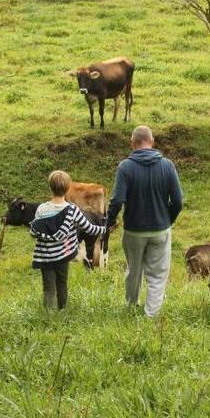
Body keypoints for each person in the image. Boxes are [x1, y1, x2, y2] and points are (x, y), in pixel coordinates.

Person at [106, 126, 183, 318]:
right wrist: (169, 219)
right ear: (152, 141)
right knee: (157, 274)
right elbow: (178, 201)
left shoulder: (125, 167)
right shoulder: (168, 165)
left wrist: (110, 221)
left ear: (132, 142)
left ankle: (131, 305)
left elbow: (117, 200)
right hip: (160, 230)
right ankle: (151, 315)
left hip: (133, 230)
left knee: (134, 270)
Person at [29, 170, 106, 310]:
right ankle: (62, 310)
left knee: (48, 287)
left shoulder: (41, 209)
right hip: (63, 255)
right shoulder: (73, 210)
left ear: (50, 188)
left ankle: (48, 314)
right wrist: (104, 229)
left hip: (45, 257)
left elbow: (35, 231)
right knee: (62, 284)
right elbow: (89, 228)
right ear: (67, 189)